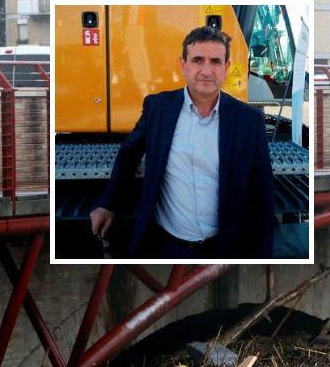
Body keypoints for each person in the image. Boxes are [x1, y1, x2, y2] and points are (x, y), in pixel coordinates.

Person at [89, 26, 275, 259]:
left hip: (225, 248)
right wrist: (108, 203)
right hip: (167, 245)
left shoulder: (249, 121)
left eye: (215, 61)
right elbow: (129, 153)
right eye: (198, 60)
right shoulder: (158, 108)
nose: (206, 70)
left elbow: (263, 193)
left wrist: (263, 257)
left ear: (226, 68)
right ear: (183, 65)